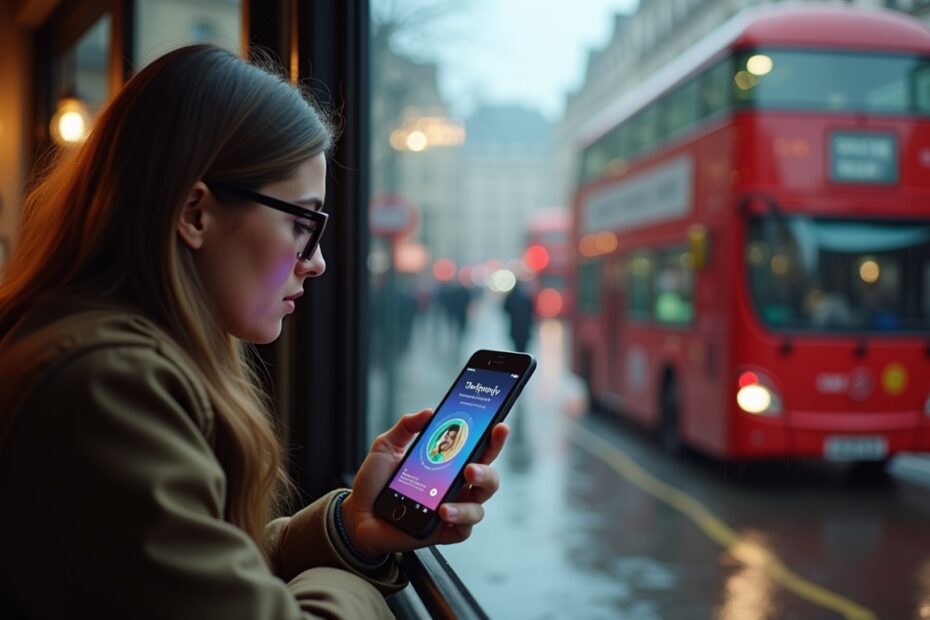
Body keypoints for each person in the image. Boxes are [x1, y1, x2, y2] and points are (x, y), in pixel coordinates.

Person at [0, 45, 509, 619]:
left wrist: (352, 530)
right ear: (195, 214)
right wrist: (361, 591)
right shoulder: (106, 382)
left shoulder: (89, 348)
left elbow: (189, 571)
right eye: (302, 223)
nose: (315, 262)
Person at [503, 280, 535, 352]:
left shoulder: (510, 296)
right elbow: (531, 310)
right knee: (523, 348)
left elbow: (505, 309)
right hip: (525, 328)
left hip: (515, 328)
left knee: (516, 348)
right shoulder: (526, 297)